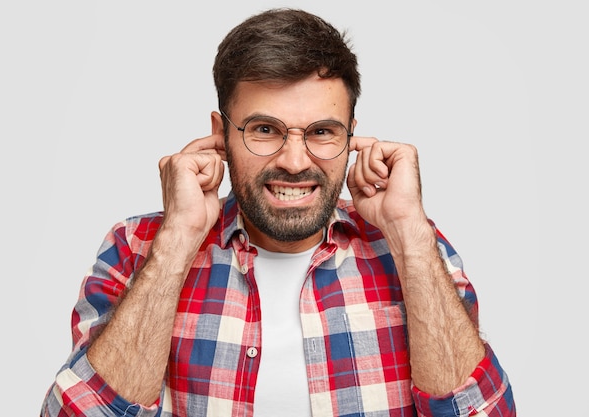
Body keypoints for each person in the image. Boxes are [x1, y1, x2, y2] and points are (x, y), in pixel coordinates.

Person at [40, 8, 515, 417]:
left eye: (323, 132)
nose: (294, 161)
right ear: (220, 134)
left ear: (352, 136)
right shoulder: (137, 247)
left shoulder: (414, 248)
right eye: (264, 129)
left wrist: (409, 231)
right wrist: (178, 237)